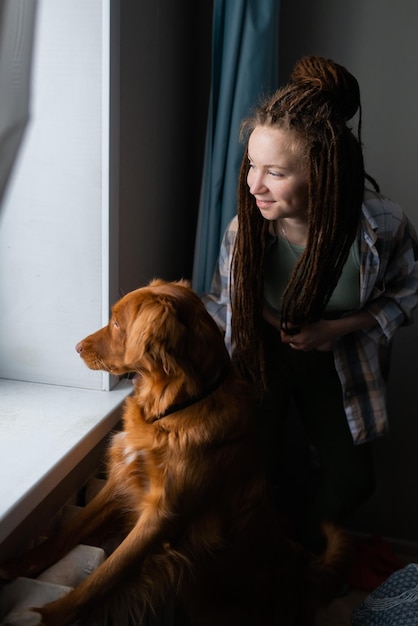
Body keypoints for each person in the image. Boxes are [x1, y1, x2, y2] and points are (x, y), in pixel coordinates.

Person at [203, 56, 418, 552]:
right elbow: (228, 300)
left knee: (353, 479)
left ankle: (307, 548)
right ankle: (267, 557)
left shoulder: (381, 228)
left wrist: (337, 329)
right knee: (258, 466)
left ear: (323, 172)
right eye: (251, 165)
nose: (253, 184)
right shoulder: (246, 231)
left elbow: (410, 290)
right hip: (264, 357)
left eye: (274, 172)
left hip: (338, 360)